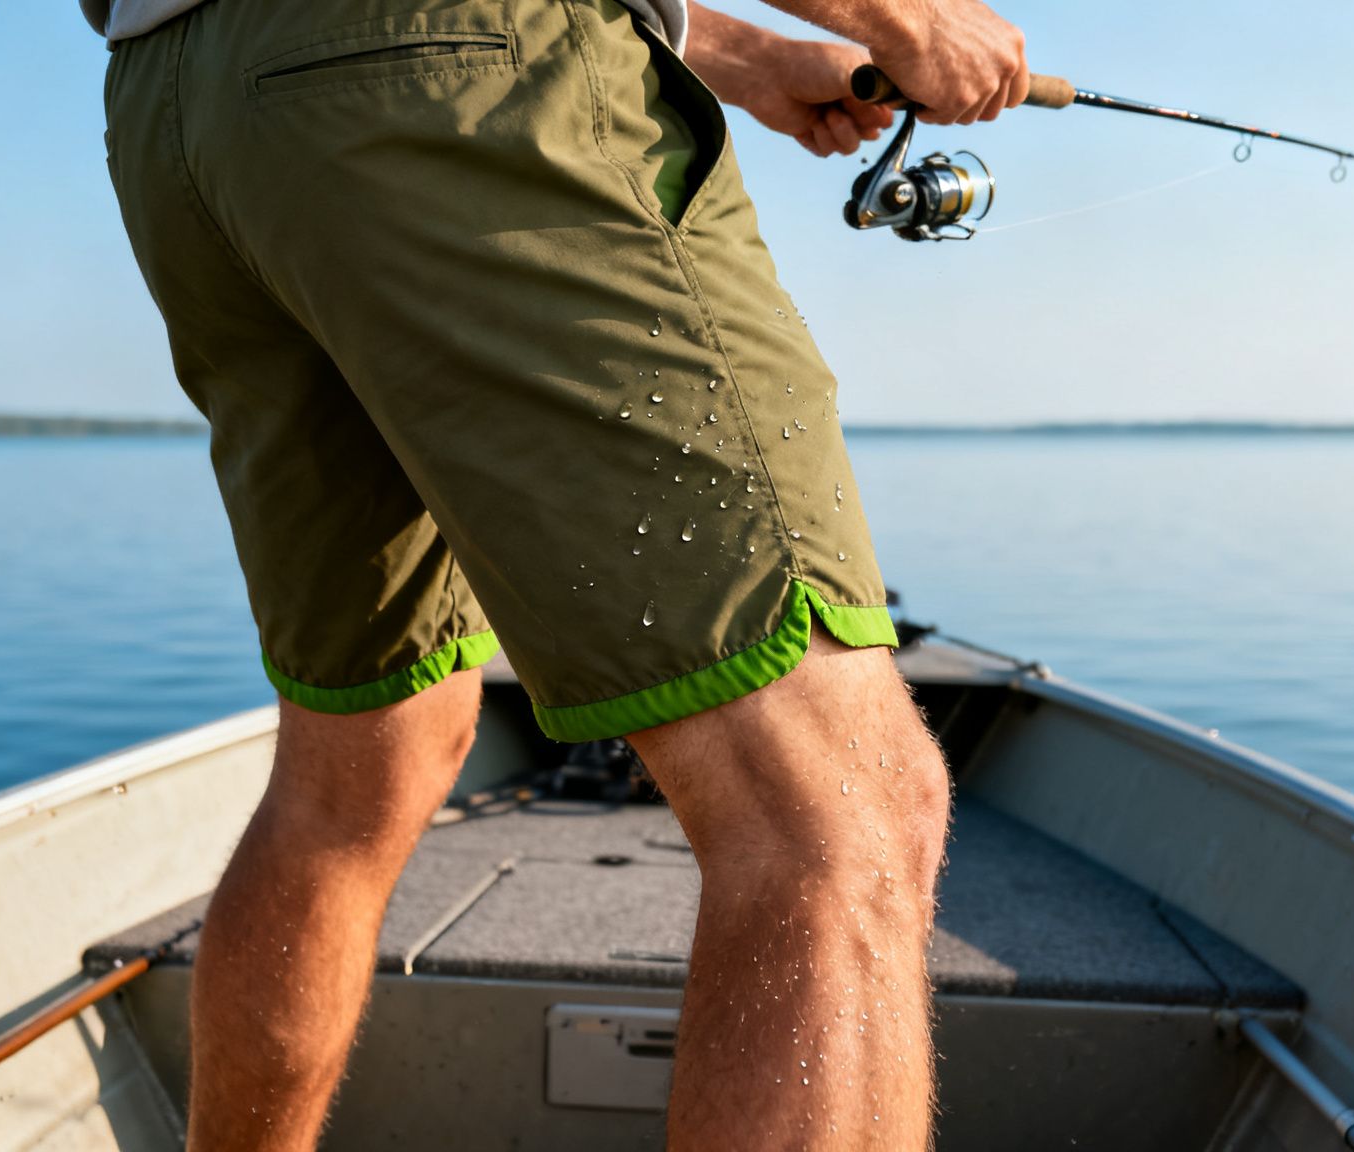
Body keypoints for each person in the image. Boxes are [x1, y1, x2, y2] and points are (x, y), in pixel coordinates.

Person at [89, 0, 1027, 1144]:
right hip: (449, 70)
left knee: (362, 765)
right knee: (838, 810)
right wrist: (902, 14)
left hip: (184, 121)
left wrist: (744, 53)